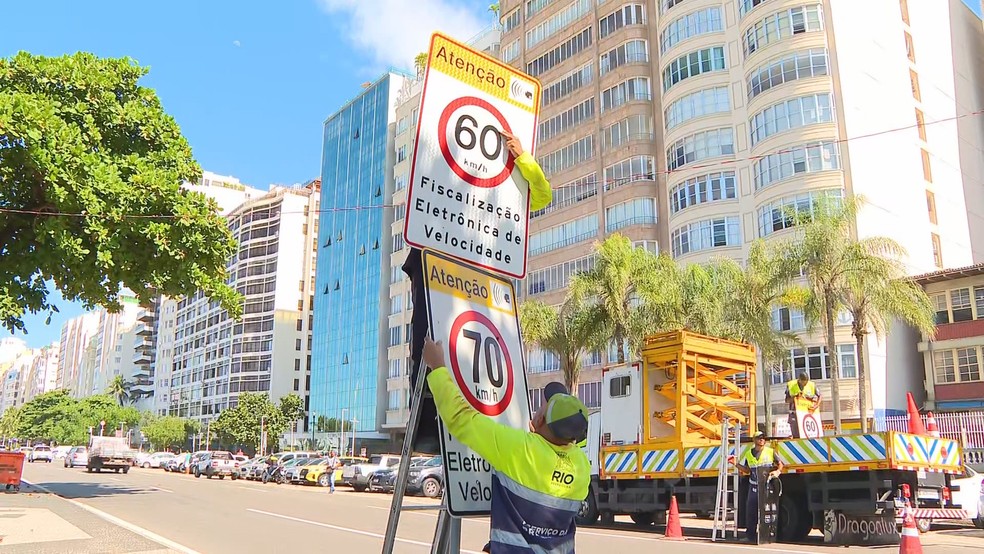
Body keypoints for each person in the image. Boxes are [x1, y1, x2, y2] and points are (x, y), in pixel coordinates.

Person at [404, 129, 552, 454]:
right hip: (435, 267)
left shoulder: (500, 191)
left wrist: (522, 158)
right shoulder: (438, 178)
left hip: (477, 280)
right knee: (430, 343)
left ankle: (469, 422)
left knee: (473, 351)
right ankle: (427, 427)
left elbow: (541, 196)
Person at [422, 336, 589, 553]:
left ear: (540, 420)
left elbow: (461, 418)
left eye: (543, 406)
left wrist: (437, 366)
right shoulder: (582, 468)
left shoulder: (520, 449)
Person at [737, 431, 783, 543]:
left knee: (766, 511)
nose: (762, 439)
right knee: (751, 511)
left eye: (763, 438)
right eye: (759, 438)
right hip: (753, 486)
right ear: (754, 440)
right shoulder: (749, 453)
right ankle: (750, 536)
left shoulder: (770, 451)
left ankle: (767, 536)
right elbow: (747, 470)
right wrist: (736, 464)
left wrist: (778, 471)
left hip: (766, 485)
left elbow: (780, 464)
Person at [785, 372, 820, 438]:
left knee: (810, 437)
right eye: (803, 383)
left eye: (806, 383)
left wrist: (816, 405)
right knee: (796, 436)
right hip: (794, 415)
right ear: (799, 380)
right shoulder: (791, 385)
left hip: (808, 415)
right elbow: (787, 400)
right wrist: (795, 397)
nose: (804, 385)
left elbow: (820, 396)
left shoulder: (811, 385)